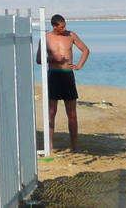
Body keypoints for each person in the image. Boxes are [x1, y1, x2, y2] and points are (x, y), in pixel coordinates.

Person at [37, 14, 90, 152]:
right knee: (51, 112)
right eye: (62, 26)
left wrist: (78, 65)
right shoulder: (46, 38)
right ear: (54, 26)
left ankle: (74, 146)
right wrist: (52, 58)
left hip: (67, 75)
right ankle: (50, 146)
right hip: (54, 75)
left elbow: (85, 50)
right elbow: (38, 59)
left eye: (65, 25)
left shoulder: (71, 35)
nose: (65, 28)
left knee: (72, 114)